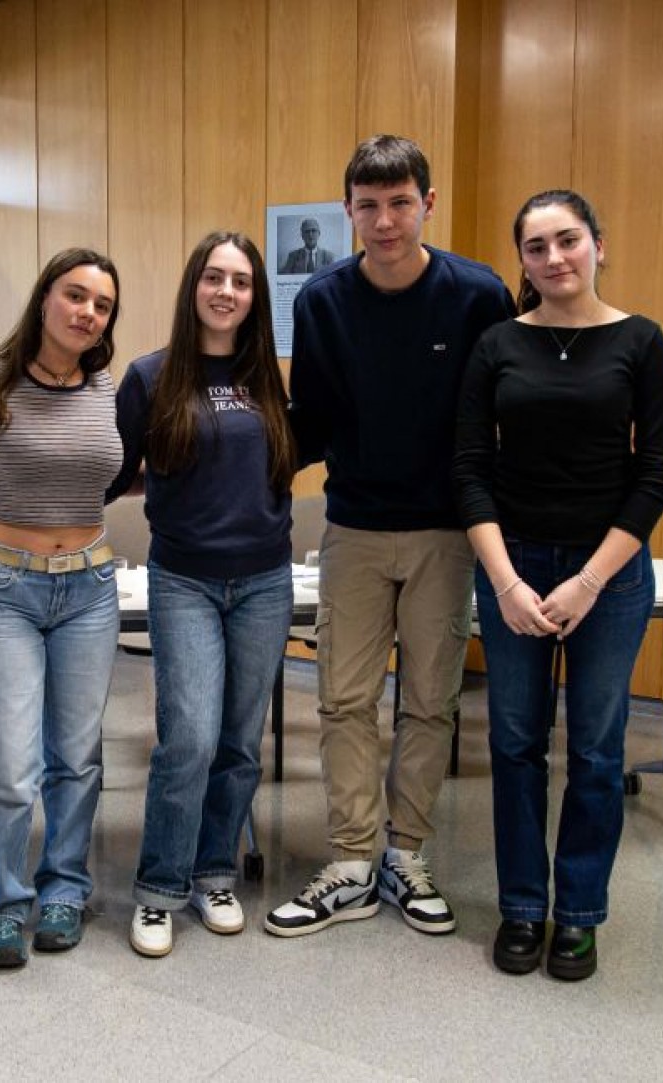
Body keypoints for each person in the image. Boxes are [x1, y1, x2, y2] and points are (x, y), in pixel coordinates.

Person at [265, 134, 515, 939]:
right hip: (356, 528)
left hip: (447, 530)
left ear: (427, 205)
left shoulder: (479, 294)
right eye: (368, 206)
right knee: (343, 699)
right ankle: (350, 860)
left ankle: (406, 852)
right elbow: (310, 422)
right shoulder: (321, 301)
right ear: (347, 211)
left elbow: (502, 415)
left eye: (400, 203)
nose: (384, 221)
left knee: (431, 701)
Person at [452, 189, 663, 981]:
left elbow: (656, 475)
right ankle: (522, 905)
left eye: (568, 240)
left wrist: (586, 581)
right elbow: (469, 470)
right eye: (536, 246)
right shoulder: (497, 345)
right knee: (514, 744)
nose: (554, 258)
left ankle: (578, 913)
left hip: (608, 575)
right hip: (513, 565)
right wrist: (506, 583)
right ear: (522, 258)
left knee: (594, 749)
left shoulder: (641, 342)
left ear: (598, 245)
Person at [107, 232, 298, 958]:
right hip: (184, 578)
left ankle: (214, 873)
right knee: (187, 738)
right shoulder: (150, 376)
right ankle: (159, 887)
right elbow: (114, 470)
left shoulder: (265, 378)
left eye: (241, 282)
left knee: (240, 742)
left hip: (264, 580)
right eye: (214, 277)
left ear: (255, 297)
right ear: (194, 286)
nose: (226, 292)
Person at [0, 248, 124, 970]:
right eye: (75, 295)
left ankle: (63, 889)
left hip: (89, 587)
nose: (88, 312)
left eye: (102, 305)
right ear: (45, 297)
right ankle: (4, 899)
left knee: (77, 757)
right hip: (3, 587)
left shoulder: (108, 386)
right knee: (10, 764)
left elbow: (120, 471)